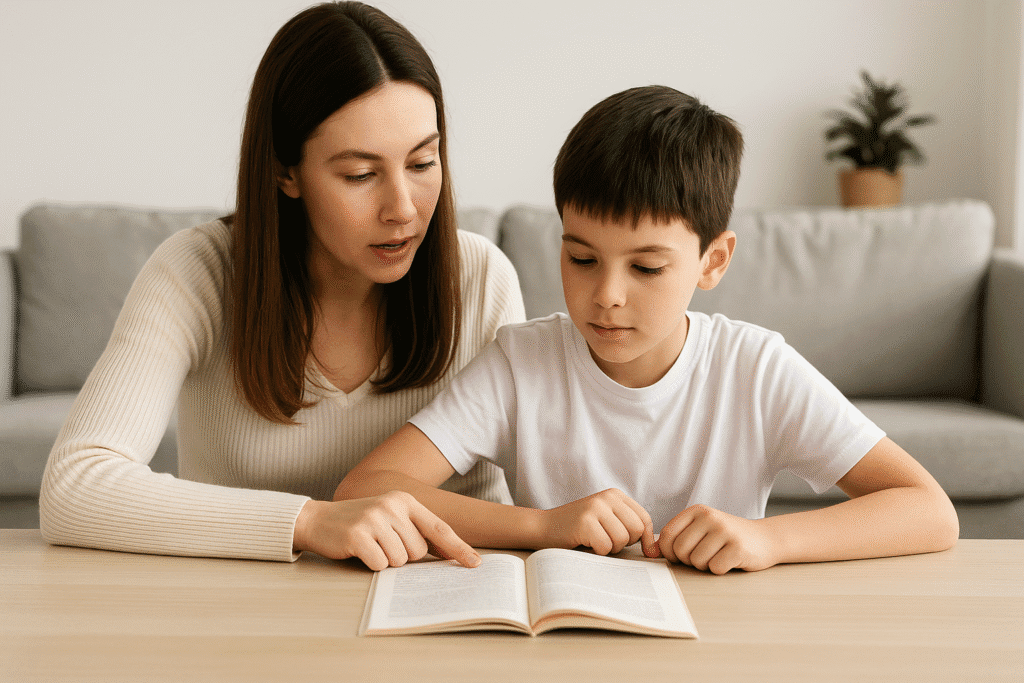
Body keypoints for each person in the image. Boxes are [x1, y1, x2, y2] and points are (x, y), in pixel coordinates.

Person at [335, 85, 959, 574]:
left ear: (713, 261)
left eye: (647, 267)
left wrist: (767, 540)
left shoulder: (755, 368)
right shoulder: (523, 361)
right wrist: (544, 526)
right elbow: (365, 488)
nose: (606, 296)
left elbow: (929, 511)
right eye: (581, 258)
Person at [38, 2, 525, 570]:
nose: (403, 210)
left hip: (451, 604)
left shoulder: (482, 278)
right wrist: (309, 520)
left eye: (422, 162)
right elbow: (75, 487)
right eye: (360, 175)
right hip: (253, 619)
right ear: (284, 170)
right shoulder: (197, 273)